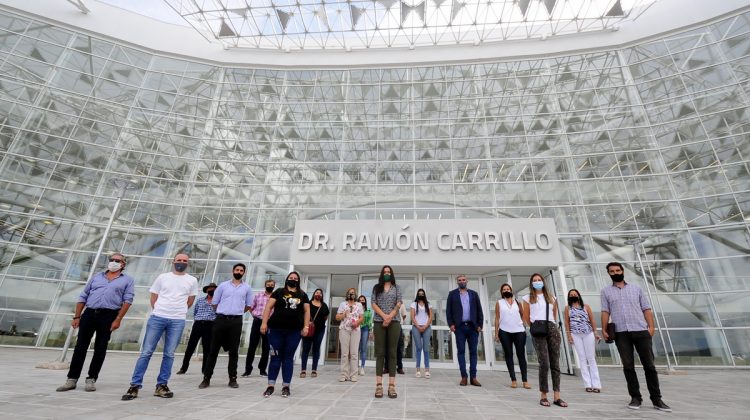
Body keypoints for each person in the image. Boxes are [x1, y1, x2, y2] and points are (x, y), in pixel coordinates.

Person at [121, 253, 198, 400]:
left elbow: (190, 300)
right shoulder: (163, 277)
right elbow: (154, 296)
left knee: (169, 354)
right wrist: (159, 310)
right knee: (146, 352)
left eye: (184, 261)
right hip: (158, 317)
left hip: (177, 320)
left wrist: (179, 311)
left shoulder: (192, 280)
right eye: (179, 260)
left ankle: (161, 385)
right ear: (173, 262)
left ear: (188, 263)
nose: (181, 262)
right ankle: (134, 386)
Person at [56, 253, 135, 392]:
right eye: (112, 260)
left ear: (123, 264)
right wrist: (77, 316)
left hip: (109, 315)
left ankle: (91, 379)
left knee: (100, 348)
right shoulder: (97, 277)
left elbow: (128, 301)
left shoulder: (127, 280)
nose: (114, 262)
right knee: (80, 346)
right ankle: (71, 379)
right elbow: (83, 295)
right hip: (90, 313)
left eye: (118, 261)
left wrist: (118, 319)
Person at [601, 262, 671, 412]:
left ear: (622, 271)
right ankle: (635, 397)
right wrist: (604, 329)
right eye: (612, 271)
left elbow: (646, 308)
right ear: (609, 274)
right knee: (628, 367)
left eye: (617, 270)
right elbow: (605, 311)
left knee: (650, 366)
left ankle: (657, 399)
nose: (615, 272)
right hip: (621, 333)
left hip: (640, 330)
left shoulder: (636, 289)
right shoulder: (606, 292)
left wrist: (651, 327)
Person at [199, 263, 254, 389]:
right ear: (232, 271)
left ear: (244, 273)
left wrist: (236, 312)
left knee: (234, 351)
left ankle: (232, 379)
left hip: (236, 322)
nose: (239, 272)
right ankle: (206, 378)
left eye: (241, 270)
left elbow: (249, 305)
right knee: (213, 350)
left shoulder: (247, 288)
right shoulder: (223, 286)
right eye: (237, 269)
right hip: (221, 320)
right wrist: (223, 313)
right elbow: (214, 303)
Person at [260, 271, 310, 398]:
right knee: (275, 357)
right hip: (276, 329)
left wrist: (306, 326)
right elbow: (268, 307)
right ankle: (270, 386)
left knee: (288, 358)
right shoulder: (278, 292)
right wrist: (264, 323)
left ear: (298, 281)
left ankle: (286, 386)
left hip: (294, 332)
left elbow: (307, 311)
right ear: (287, 279)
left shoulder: (303, 294)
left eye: (295, 278)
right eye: (291, 277)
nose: (293, 279)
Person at [522, 273, 567, 408]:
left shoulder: (552, 297)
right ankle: (543, 395)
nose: (537, 282)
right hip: (538, 329)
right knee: (544, 363)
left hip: (552, 328)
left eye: (539, 280)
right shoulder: (527, 298)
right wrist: (535, 328)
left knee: (555, 363)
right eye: (534, 280)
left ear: (543, 281)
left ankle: (557, 396)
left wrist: (550, 326)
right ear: (531, 283)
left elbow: (554, 315)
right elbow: (526, 316)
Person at [446, 274, 483, 387]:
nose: (462, 281)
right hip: (460, 327)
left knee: (473, 353)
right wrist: (451, 324)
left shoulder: (474, 294)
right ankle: (464, 377)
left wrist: (480, 325)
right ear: (457, 282)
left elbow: (479, 310)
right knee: (461, 351)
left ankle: (473, 377)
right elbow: (448, 311)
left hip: (473, 327)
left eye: (463, 280)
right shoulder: (452, 294)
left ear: (467, 281)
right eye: (459, 280)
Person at [371, 265, 403, 399]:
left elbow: (399, 303)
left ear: (392, 274)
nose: (387, 274)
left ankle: (391, 386)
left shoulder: (397, 288)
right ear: (381, 274)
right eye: (385, 272)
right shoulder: (376, 288)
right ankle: (379, 386)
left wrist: (390, 316)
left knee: (392, 353)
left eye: (389, 272)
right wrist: (384, 316)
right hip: (379, 322)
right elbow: (373, 303)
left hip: (394, 322)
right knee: (380, 353)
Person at [564, 288, 601, 393]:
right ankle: (588, 384)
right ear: (569, 297)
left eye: (575, 294)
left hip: (588, 333)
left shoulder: (586, 307)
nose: (573, 295)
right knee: (582, 358)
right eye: (571, 294)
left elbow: (592, 319)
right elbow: (567, 322)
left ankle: (596, 384)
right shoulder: (568, 308)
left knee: (591, 358)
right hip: (575, 335)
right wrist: (569, 335)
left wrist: (595, 332)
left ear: (579, 295)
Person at [494, 283, 530, 390]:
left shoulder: (517, 302)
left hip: (519, 331)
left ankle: (525, 380)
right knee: (509, 355)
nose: (506, 290)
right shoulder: (499, 303)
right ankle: (513, 379)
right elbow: (497, 318)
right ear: (502, 292)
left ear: (511, 290)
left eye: (507, 289)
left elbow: (522, 315)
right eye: (504, 289)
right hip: (504, 331)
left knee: (521, 355)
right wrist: (496, 333)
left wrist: (524, 326)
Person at [176, 283, 217, 375]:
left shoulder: (218, 301)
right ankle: (183, 368)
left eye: (214, 289)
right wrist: (198, 320)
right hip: (198, 324)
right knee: (190, 347)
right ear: (206, 290)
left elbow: (218, 313)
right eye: (210, 288)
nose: (211, 290)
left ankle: (205, 369)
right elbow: (195, 312)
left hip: (210, 325)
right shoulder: (200, 300)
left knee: (207, 348)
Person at [242, 278, 275, 377]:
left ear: (274, 286)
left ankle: (262, 370)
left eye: (272, 285)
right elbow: (251, 307)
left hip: (269, 323)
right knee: (252, 346)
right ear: (265, 285)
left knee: (266, 347)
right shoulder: (258, 295)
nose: (270, 286)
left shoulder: (275, 297)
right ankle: (248, 370)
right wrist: (256, 316)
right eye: (268, 284)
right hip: (257, 322)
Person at [300, 288, 329, 378]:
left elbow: (326, 316)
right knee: (306, 349)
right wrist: (306, 323)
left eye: (320, 293)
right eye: (317, 292)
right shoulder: (308, 304)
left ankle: (314, 370)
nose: (318, 294)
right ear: (314, 294)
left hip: (319, 330)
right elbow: (303, 314)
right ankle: (303, 370)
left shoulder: (324, 305)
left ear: (322, 296)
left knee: (316, 349)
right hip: (308, 329)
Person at [336, 287, 364, 382]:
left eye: (353, 293)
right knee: (344, 353)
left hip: (355, 330)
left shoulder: (359, 305)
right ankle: (344, 374)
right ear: (347, 294)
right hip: (344, 330)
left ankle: (354, 375)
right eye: (350, 293)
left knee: (354, 353)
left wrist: (357, 323)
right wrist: (343, 315)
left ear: (355, 295)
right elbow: (337, 317)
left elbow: (361, 318)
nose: (351, 294)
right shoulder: (342, 304)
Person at [410, 289, 432, 378]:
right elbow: (412, 317)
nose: (421, 295)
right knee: (419, 348)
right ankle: (418, 370)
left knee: (426, 349)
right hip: (416, 327)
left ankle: (427, 370)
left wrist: (425, 326)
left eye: (422, 294)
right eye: (419, 294)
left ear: (424, 295)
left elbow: (431, 317)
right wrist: (418, 326)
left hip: (426, 327)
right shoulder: (413, 304)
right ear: (417, 295)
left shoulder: (429, 304)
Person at [358, 295, 373, 376]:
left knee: (363, 349)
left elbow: (370, 321)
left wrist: (370, 331)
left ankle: (362, 367)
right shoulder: (355, 309)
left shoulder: (369, 310)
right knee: (356, 349)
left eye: (363, 300)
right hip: (356, 329)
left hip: (365, 329)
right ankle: (355, 367)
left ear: (365, 301)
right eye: (360, 300)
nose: (361, 301)